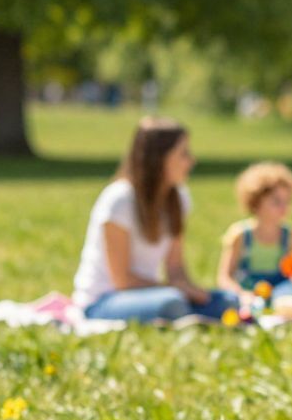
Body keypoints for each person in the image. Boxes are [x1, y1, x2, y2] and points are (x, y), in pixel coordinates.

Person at [70, 118, 238, 323]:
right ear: (159, 158)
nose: (191, 161)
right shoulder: (119, 200)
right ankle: (185, 317)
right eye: (183, 154)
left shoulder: (179, 198)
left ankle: (186, 317)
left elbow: (175, 268)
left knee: (228, 301)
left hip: (153, 293)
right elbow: (122, 281)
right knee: (171, 303)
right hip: (103, 301)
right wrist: (174, 288)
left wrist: (192, 290)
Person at [215, 162, 292, 307]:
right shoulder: (241, 235)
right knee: (229, 301)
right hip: (247, 291)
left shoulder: (289, 235)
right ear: (256, 202)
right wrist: (241, 294)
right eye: (276, 201)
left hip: (279, 290)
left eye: (287, 201)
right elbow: (225, 277)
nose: (284, 207)